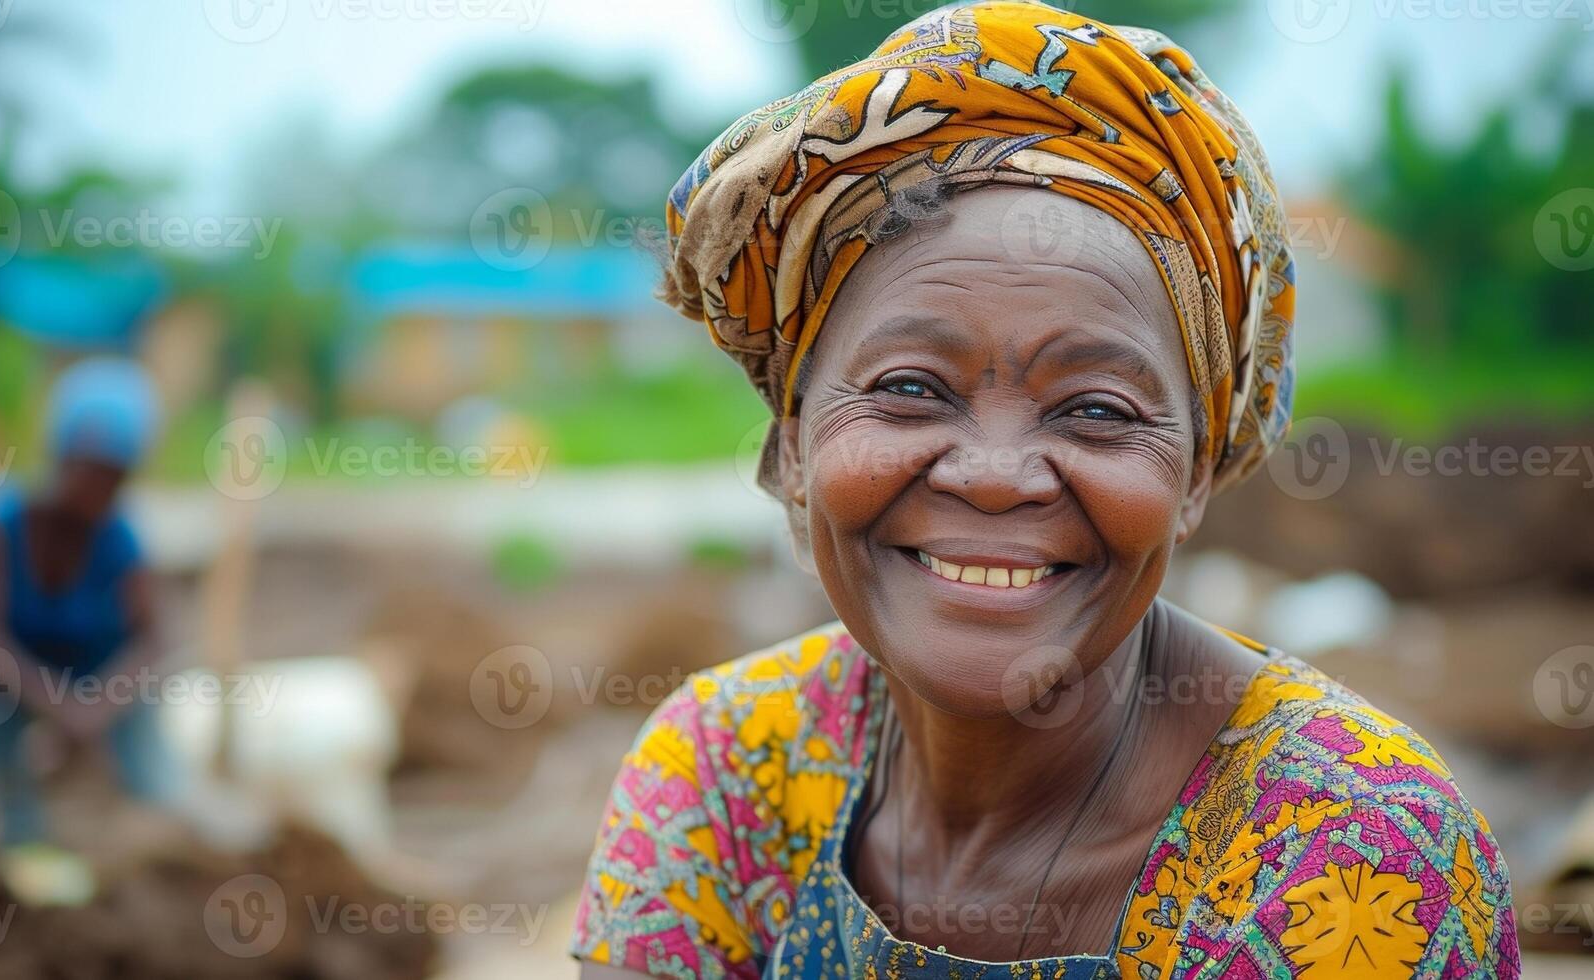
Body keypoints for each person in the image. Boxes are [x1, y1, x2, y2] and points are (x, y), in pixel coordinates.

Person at [570, 4, 1519, 978]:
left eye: (1097, 409)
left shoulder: (1347, 856)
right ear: (795, 440)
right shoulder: (725, 773)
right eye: (908, 388)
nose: (994, 473)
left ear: (1196, 472)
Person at [0, 357, 177, 855]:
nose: (101, 488)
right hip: (11, 678)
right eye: (91, 470)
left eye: (115, 476)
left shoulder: (120, 540)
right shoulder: (0, 524)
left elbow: (154, 639)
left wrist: (96, 707)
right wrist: (61, 707)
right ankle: (14, 821)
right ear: (60, 456)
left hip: (90, 676)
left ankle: (159, 810)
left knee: (156, 778)